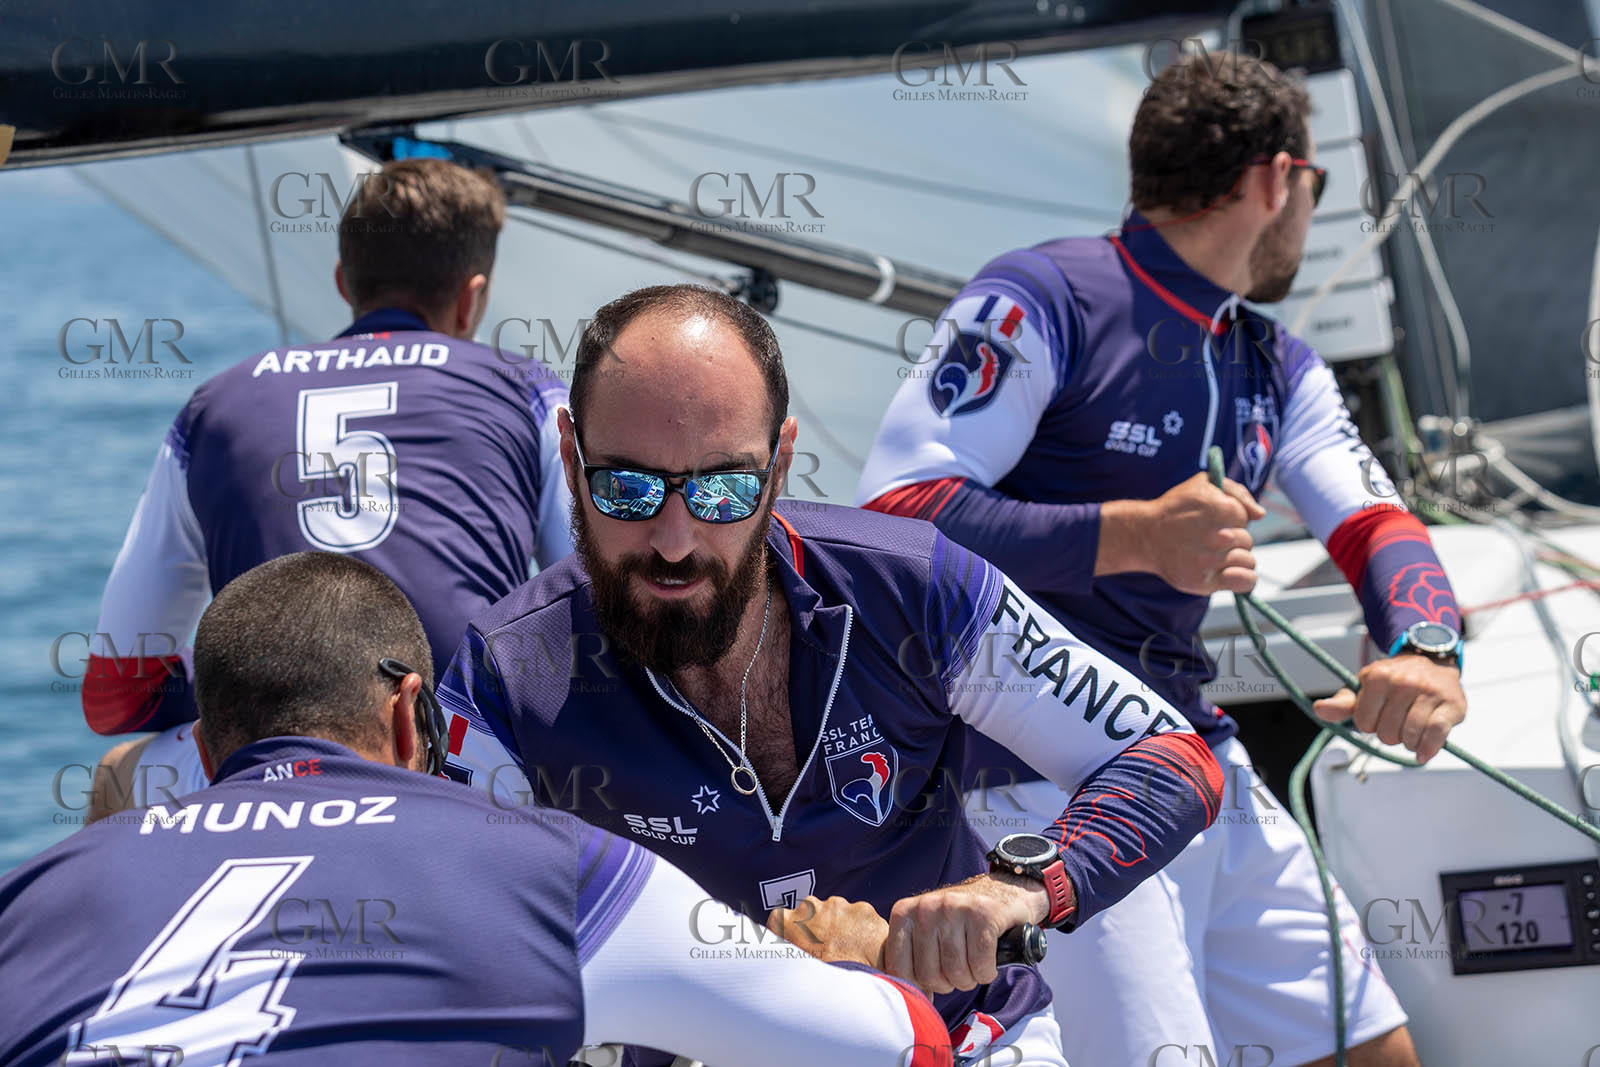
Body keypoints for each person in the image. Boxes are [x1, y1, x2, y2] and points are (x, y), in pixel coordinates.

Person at [855, 52, 1466, 1067]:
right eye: (1312, 186)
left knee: (1371, 1052)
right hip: (1050, 775)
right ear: (1277, 179)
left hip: (1199, 761)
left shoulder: (1273, 360)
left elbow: (1376, 522)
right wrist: (1131, 534)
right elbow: (897, 512)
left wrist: (1427, 646)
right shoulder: (1041, 295)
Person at [437, 283, 1226, 1064]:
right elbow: (470, 954)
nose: (674, 542)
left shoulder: (912, 586)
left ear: (780, 463)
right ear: (571, 461)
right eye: (628, 488)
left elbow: (1171, 759)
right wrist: (778, 980)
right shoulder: (507, 674)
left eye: (722, 488)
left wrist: (1013, 891)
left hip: (969, 1040)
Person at [2, 552, 956, 1067]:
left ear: (207, 757)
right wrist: (853, 962)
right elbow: (902, 1048)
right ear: (410, 719)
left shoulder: (38, 891)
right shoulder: (544, 866)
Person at [81, 157, 574, 816]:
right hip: (453, 756)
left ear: (344, 283)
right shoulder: (529, 392)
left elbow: (117, 694)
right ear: (471, 297)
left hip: (261, 756)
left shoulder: (214, 406)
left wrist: (279, 685)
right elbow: (599, 614)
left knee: (117, 778)